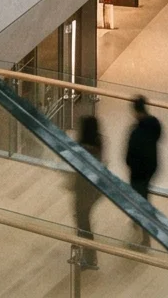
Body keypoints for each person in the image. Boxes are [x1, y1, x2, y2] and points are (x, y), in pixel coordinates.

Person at [71, 114, 105, 267]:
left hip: (84, 189)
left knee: (83, 221)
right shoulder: (98, 142)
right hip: (91, 190)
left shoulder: (84, 149)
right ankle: (88, 254)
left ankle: (89, 256)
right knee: (83, 220)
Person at [124, 94, 163, 228]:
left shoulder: (136, 132)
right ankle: (143, 220)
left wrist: (129, 164)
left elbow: (130, 154)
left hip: (138, 170)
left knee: (139, 196)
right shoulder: (154, 123)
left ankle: (144, 221)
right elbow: (158, 136)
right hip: (152, 165)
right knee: (144, 193)